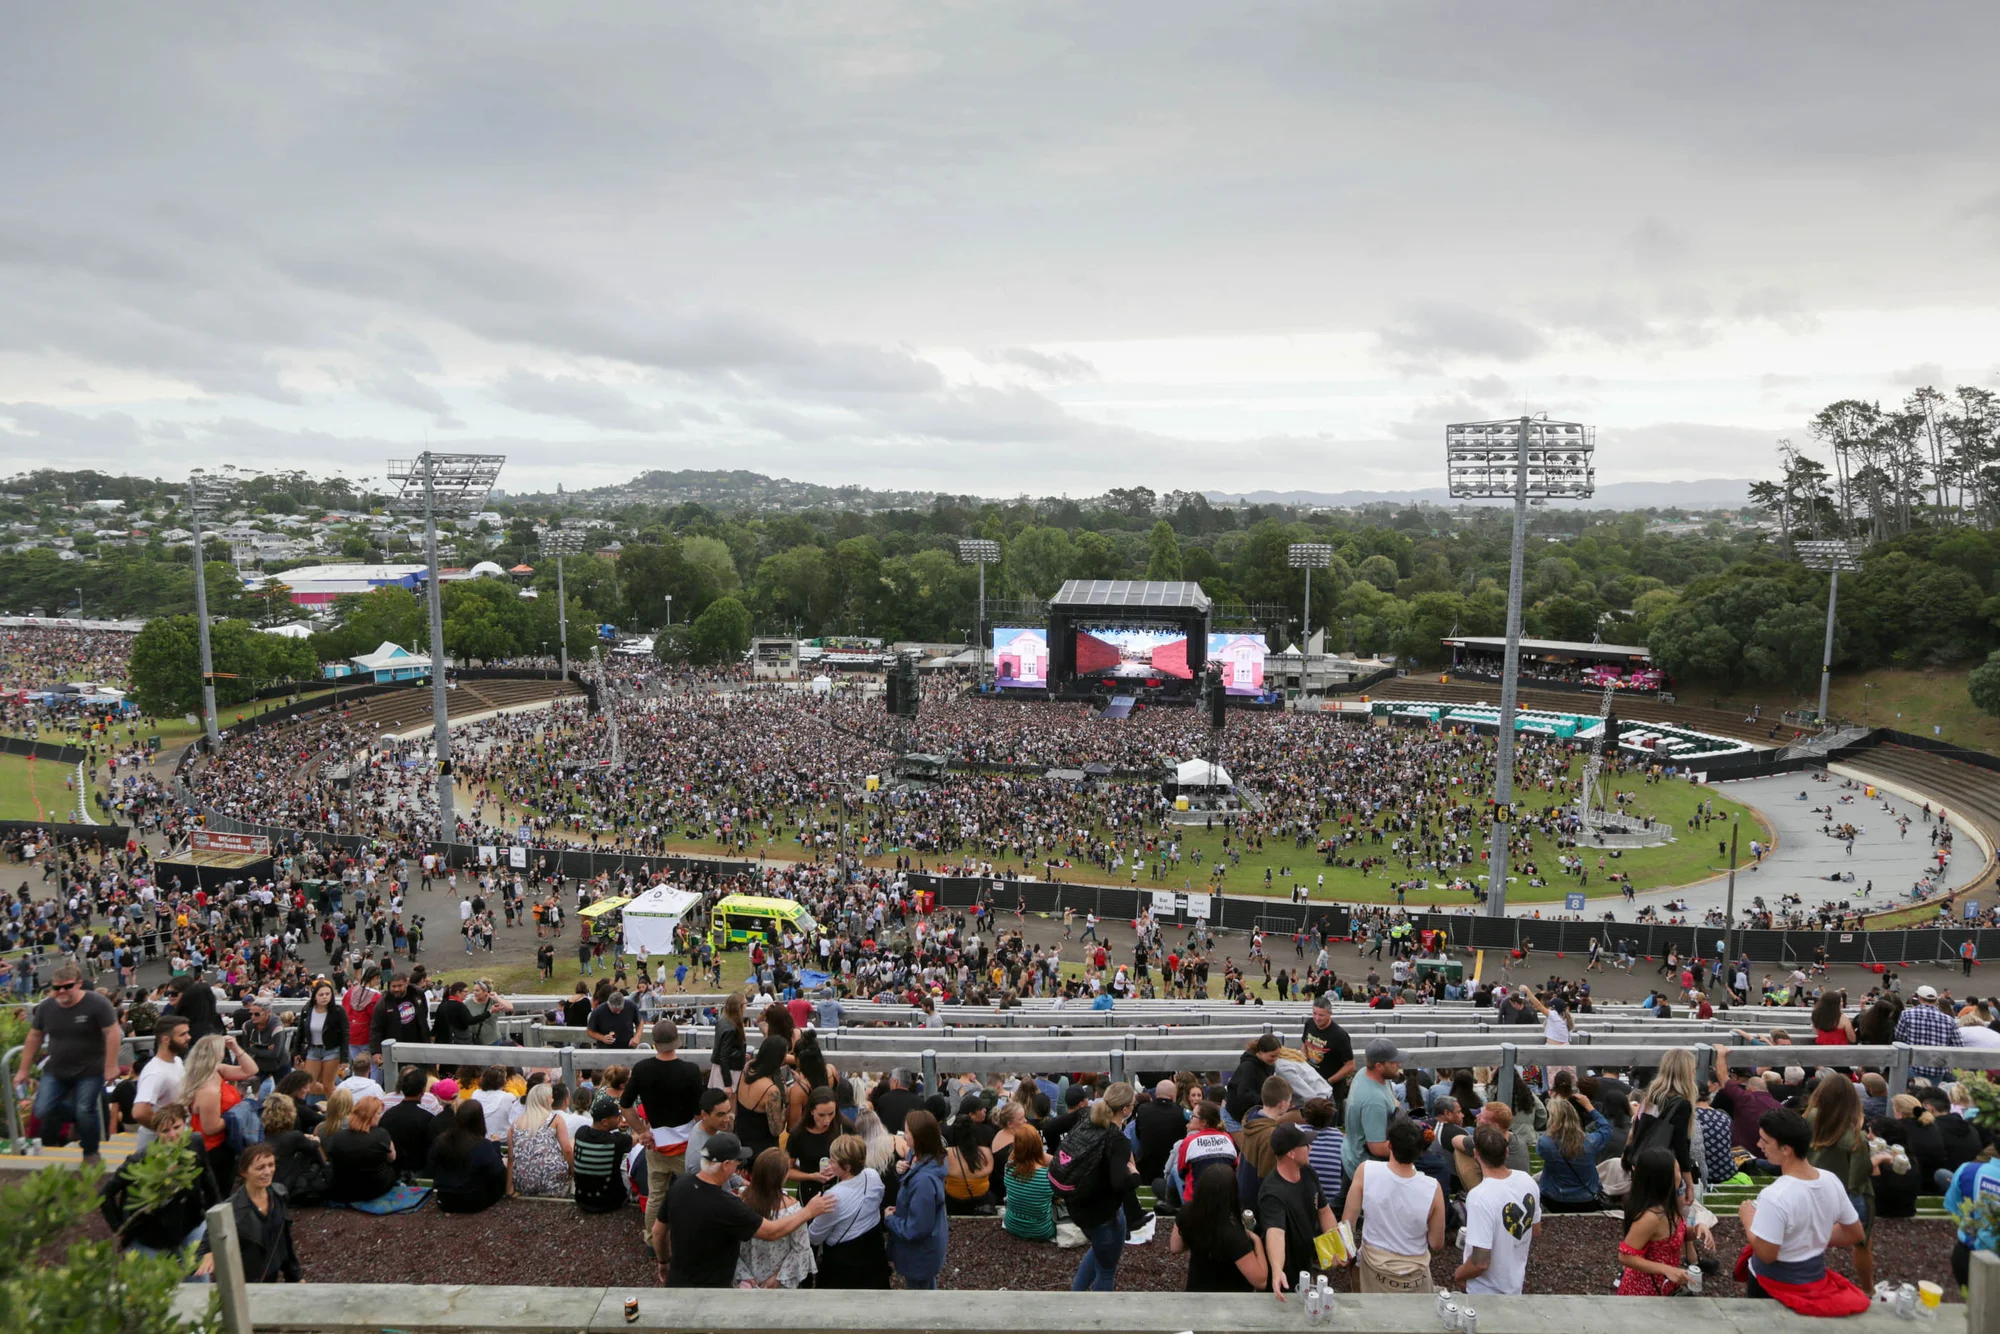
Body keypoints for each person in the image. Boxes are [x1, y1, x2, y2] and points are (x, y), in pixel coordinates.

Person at [1737, 1108, 1868, 1313]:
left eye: (1765, 1141)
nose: (1759, 1145)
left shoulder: (1774, 1196)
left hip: (1772, 1284)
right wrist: (1810, 1237)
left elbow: (1767, 1254)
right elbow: (1855, 1233)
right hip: (1815, 1277)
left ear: (1786, 1149)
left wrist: (1748, 1218)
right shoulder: (1830, 1180)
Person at [665, 1131, 832, 1287]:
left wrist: (745, 1277)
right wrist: (808, 1212)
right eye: (736, 1162)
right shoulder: (733, 1206)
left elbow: (659, 1230)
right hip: (744, 1285)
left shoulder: (685, 1186)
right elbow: (779, 1236)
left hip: (739, 1284)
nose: (738, 1166)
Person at [620, 1019, 706, 1263]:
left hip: (656, 1142)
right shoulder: (690, 1070)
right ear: (677, 1041)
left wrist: (641, 1131)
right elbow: (699, 1113)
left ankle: (652, 1240)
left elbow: (625, 1105)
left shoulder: (642, 1069)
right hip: (686, 1144)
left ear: (655, 1043)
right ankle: (689, 1239)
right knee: (692, 1194)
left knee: (656, 1196)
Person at [22, 963, 120, 1165]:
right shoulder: (47, 1007)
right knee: (42, 1109)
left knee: (86, 1110)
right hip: (56, 1069)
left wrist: (111, 1065)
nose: (62, 991)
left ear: (79, 984)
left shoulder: (96, 1003)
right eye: (57, 987)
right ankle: (78, 1117)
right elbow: (34, 1036)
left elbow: (113, 1032)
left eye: (67, 986)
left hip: (90, 1069)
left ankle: (91, 1152)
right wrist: (23, 1069)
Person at [104, 1102, 222, 1269]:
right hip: (150, 1234)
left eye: (177, 1127)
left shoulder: (195, 1142)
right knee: (150, 1281)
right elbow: (106, 1194)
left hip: (189, 1224)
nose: (173, 1135)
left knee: (199, 1276)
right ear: (157, 1133)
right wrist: (119, 1229)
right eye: (165, 1131)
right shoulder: (141, 1159)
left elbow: (209, 1183)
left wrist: (213, 1226)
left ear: (185, 1124)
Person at [1340, 1118, 1444, 1293]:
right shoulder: (1433, 1188)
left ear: (1389, 1145)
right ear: (1420, 1150)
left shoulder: (1366, 1171)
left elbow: (1347, 1223)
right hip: (1416, 1275)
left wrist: (1347, 1255)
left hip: (1374, 1269)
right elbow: (1436, 1243)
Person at [1804, 1071, 1885, 1293]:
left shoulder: (1810, 1119)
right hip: (1847, 1197)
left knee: (1808, 1241)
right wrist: (1878, 1159)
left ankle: (1807, 1284)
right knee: (1862, 1244)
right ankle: (1868, 1289)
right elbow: (1857, 1177)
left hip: (1813, 1191)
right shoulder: (1856, 1137)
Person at [1060, 1082, 1138, 1292]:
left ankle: (1075, 1298)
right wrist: (1135, 1177)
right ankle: (1099, 1311)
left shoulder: (1087, 1122)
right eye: (1133, 1104)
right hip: (1103, 1214)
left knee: (1098, 1250)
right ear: (1125, 1110)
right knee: (1106, 1269)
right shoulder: (1117, 1140)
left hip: (1078, 1206)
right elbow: (1118, 1183)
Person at [1454, 1124, 1540, 1296]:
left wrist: (1459, 1274)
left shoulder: (1479, 1196)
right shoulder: (1527, 1180)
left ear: (1476, 1154)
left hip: (1484, 1292)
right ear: (1506, 1152)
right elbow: (1535, 1230)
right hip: (1515, 1285)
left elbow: (1480, 1263)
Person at [203, 1142, 301, 1283]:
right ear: (244, 1172)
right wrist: (208, 1254)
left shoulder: (280, 1194)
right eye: (260, 1168)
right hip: (244, 1282)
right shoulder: (230, 1208)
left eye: (271, 1165)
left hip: (271, 1277)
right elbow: (205, 1245)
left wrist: (295, 1276)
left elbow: (284, 1239)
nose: (268, 1172)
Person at [1258, 1121, 1334, 1302]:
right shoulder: (1272, 1193)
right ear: (1291, 1153)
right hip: (1286, 1278)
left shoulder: (1308, 1172)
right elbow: (1275, 1233)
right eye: (1305, 1145)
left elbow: (1324, 1211)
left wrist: (1334, 1245)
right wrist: (1277, 1270)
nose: (1310, 1148)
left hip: (1306, 1266)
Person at [1172, 1162, 1271, 1292]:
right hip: (1230, 1299)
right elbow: (1261, 1281)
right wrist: (1257, 1241)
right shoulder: (1233, 1234)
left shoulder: (1187, 1212)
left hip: (1196, 1292)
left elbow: (1175, 1247)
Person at [811, 1132, 892, 1288]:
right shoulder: (873, 1175)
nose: (829, 1163)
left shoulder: (833, 1196)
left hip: (845, 1264)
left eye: (833, 1160)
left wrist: (810, 1212)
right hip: (874, 1253)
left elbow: (815, 1236)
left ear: (847, 1167)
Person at [181, 1033, 261, 1189]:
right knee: (219, 1189)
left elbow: (251, 1070)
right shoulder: (209, 1090)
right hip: (214, 1149)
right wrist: (238, 1113)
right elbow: (210, 1128)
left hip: (226, 1142)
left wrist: (236, 1049)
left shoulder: (217, 1071)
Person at [883, 1109, 951, 1290]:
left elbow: (916, 1229)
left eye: (907, 1132)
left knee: (920, 1296)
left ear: (920, 1137)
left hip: (919, 1254)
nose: (903, 1135)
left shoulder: (924, 1182)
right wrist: (901, 1171)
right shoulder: (920, 1155)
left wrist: (890, 1220)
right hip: (924, 1250)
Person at [735, 1146, 818, 1289]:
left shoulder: (740, 1204)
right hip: (778, 1285)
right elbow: (801, 1248)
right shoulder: (793, 1210)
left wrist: (746, 1277)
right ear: (783, 1176)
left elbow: (729, 1245)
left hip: (746, 1283)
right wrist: (778, 1278)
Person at [1616, 1148, 1696, 1296]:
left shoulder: (1669, 1206)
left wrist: (1697, 1230)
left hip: (1663, 1289)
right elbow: (1625, 1256)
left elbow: (1672, 1236)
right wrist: (1666, 1269)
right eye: (1678, 1171)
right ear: (1665, 1177)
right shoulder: (1651, 1217)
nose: (1681, 1176)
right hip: (1643, 1294)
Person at [1342, 1038, 1402, 1199]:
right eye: (1393, 1062)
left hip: (1353, 1154)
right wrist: (1411, 1151)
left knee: (1342, 1204)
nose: (1399, 1064)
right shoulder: (1374, 1101)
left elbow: (1391, 1100)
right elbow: (1377, 1147)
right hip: (1366, 1168)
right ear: (1379, 1066)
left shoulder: (1365, 1074)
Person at [1536, 1094, 1612, 1211]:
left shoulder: (1544, 1142)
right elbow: (1606, 1128)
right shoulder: (1591, 1142)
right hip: (1586, 1198)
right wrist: (1589, 1107)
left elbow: (1542, 1152)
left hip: (1553, 1198)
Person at [431, 1101, 508, 1213]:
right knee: (504, 1167)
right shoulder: (482, 1145)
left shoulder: (441, 1140)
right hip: (474, 1201)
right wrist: (496, 1146)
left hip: (445, 1199)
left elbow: (432, 1164)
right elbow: (497, 1171)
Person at [734, 1035, 797, 1162]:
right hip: (762, 1149)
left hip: (741, 1135)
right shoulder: (771, 1091)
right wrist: (788, 1103)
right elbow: (776, 1129)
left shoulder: (748, 1067)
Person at [324, 1095, 398, 1203]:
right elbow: (392, 1158)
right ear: (369, 1116)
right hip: (375, 1187)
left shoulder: (338, 1135)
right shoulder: (381, 1134)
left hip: (344, 1188)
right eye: (378, 1114)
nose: (380, 1116)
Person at [133, 1015, 192, 1150]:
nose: (188, 1037)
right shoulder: (155, 1073)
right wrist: (166, 1132)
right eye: (182, 1034)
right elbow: (139, 1112)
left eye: (187, 1032)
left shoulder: (176, 1061)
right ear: (166, 1040)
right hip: (159, 1147)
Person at [507, 1083, 574, 1197]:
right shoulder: (555, 1119)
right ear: (546, 1100)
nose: (553, 1100)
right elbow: (567, 1150)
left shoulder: (515, 1124)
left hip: (523, 1182)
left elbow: (511, 1158)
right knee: (572, 1142)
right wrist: (572, 1170)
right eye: (551, 1097)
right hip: (551, 1179)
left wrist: (509, 1188)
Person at [261, 1093, 330, 1204]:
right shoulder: (294, 1136)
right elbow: (313, 1145)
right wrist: (316, 1139)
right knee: (311, 1153)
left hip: (272, 1179)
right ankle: (326, 1176)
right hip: (286, 1183)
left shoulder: (266, 1133)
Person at [572, 1096, 635, 1214]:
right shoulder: (616, 1141)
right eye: (617, 1116)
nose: (620, 1118)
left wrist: (614, 1125)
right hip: (611, 1202)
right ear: (605, 1122)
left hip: (582, 1200)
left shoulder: (581, 1133)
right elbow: (637, 1139)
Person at [785, 1088, 842, 1207]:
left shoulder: (843, 1127)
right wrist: (812, 1176)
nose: (826, 1120)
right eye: (821, 1115)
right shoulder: (798, 1134)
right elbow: (786, 1171)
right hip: (809, 1194)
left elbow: (857, 1162)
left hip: (839, 1192)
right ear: (811, 1111)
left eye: (831, 1114)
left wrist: (839, 1168)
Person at [380, 1068, 441, 1178]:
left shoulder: (387, 1116)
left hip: (393, 1172)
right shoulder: (427, 1118)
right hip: (420, 1172)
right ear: (422, 1091)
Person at [999, 1123, 1054, 1242]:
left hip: (1011, 1224)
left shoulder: (1008, 1167)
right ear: (1038, 1145)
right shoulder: (1048, 1175)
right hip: (1042, 1230)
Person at [943, 1097, 995, 1215]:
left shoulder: (946, 1154)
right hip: (981, 1198)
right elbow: (989, 1173)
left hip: (953, 1201)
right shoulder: (985, 1153)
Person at [297, 980, 348, 1096]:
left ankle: (335, 1103)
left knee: (328, 1084)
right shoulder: (307, 1010)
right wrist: (296, 1051)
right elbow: (300, 1031)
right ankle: (340, 1096)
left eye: (327, 994)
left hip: (332, 1050)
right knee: (309, 1084)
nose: (324, 997)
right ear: (315, 996)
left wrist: (344, 1058)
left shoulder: (338, 1011)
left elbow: (345, 1034)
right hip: (313, 1049)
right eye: (321, 994)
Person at [1300, 993, 1355, 1093]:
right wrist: (1303, 1065)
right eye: (1314, 1013)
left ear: (1330, 1014)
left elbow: (1350, 1066)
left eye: (1321, 1015)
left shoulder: (1340, 1036)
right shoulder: (1309, 1023)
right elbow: (1305, 1044)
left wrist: (1328, 1081)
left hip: (1331, 1087)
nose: (1317, 1018)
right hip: (1310, 1080)